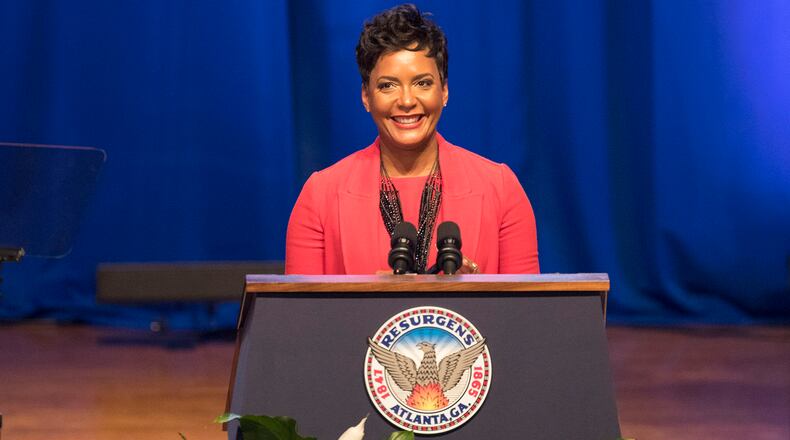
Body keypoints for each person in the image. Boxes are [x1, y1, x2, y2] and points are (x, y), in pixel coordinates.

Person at [285, 4, 539, 275]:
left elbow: (526, 302)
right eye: (387, 85)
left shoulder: (501, 190)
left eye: (422, 83)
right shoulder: (320, 197)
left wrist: (473, 292)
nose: (406, 101)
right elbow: (299, 303)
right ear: (366, 97)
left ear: (444, 91)